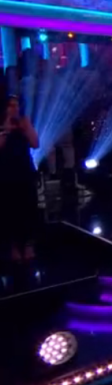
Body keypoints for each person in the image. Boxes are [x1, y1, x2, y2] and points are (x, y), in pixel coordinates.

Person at [0, 96, 39, 264]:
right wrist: (6, 129)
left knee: (29, 207)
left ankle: (29, 245)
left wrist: (27, 126)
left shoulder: (24, 123)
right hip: (7, 173)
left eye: (17, 105)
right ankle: (14, 246)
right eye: (11, 106)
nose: (14, 109)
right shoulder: (3, 126)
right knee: (10, 209)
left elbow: (35, 143)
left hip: (25, 170)